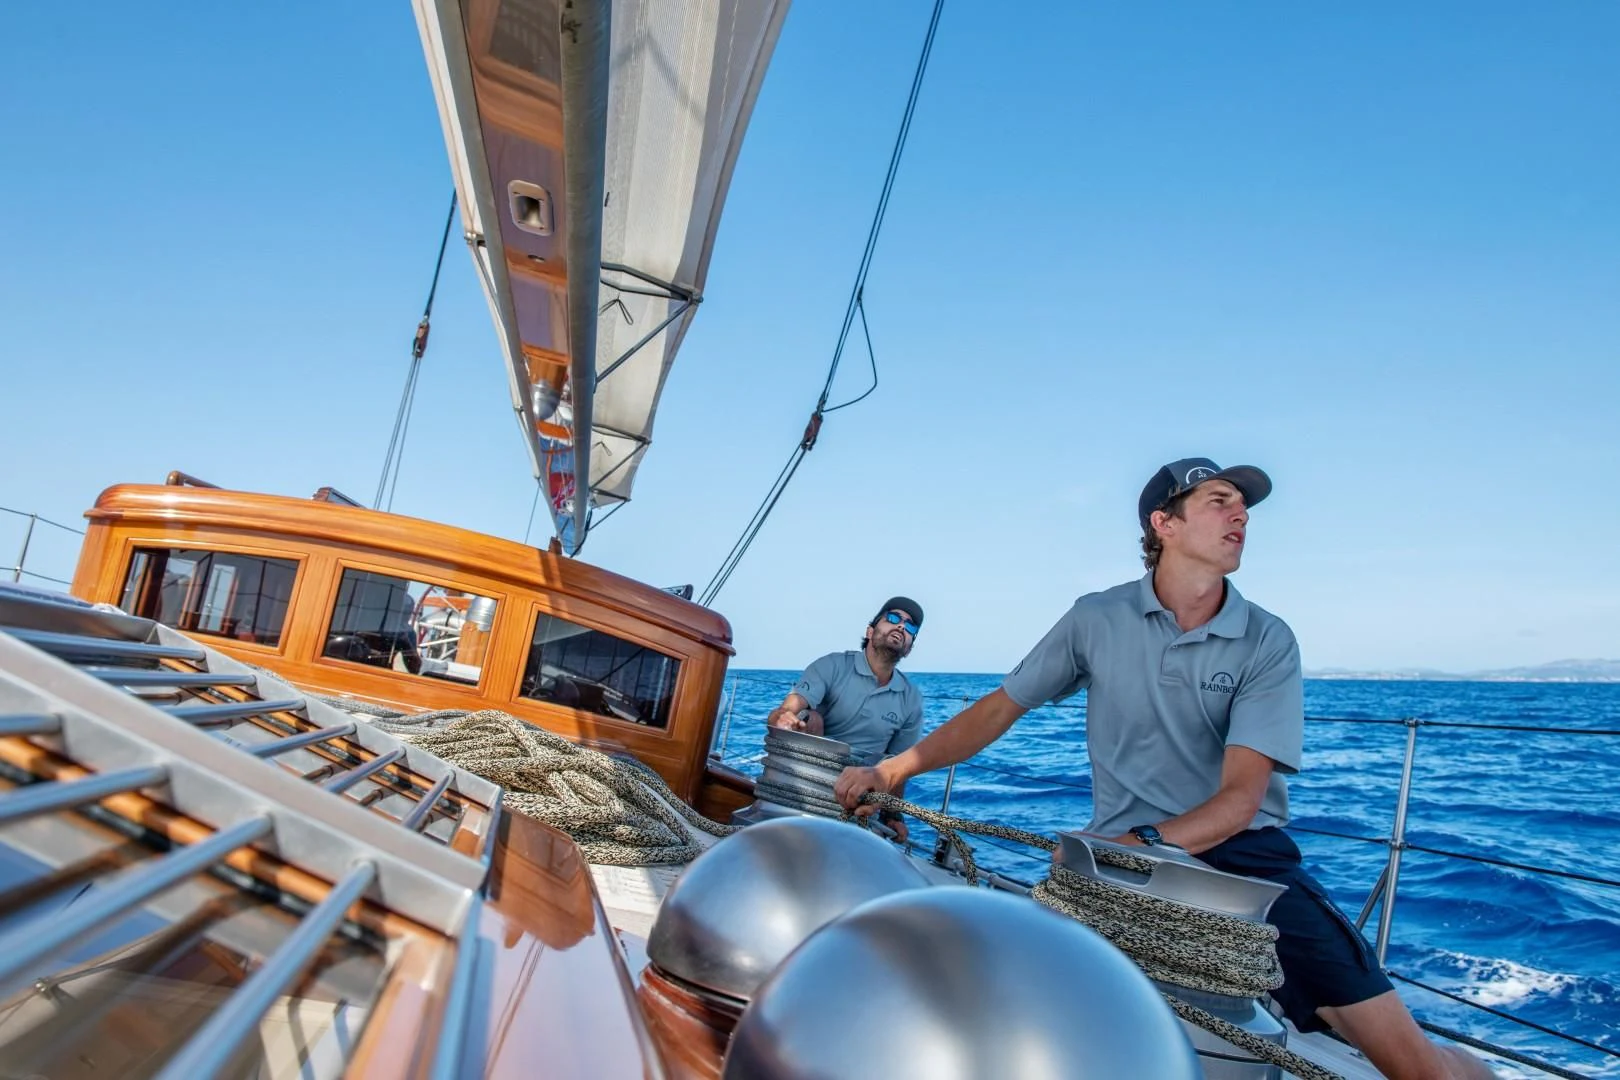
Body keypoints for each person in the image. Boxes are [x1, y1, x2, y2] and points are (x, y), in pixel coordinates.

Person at [834, 459, 1494, 1080]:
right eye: (1220, 503)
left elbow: (1240, 801)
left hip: (1246, 867)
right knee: (1006, 1004)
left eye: (1244, 508)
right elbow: (1000, 709)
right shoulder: (1097, 618)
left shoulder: (1267, 639)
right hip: (1119, 867)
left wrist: (1138, 847)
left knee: (1413, 1067)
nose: (1241, 517)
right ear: (1165, 524)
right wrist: (891, 772)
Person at [769, 597, 926, 842]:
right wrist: (784, 718)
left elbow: (899, 766)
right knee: (812, 718)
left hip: (859, 805)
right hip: (805, 789)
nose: (902, 627)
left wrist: (893, 816)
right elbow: (789, 708)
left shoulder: (911, 698)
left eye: (911, 626)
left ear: (909, 647)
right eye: (893, 618)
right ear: (870, 631)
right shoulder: (831, 665)